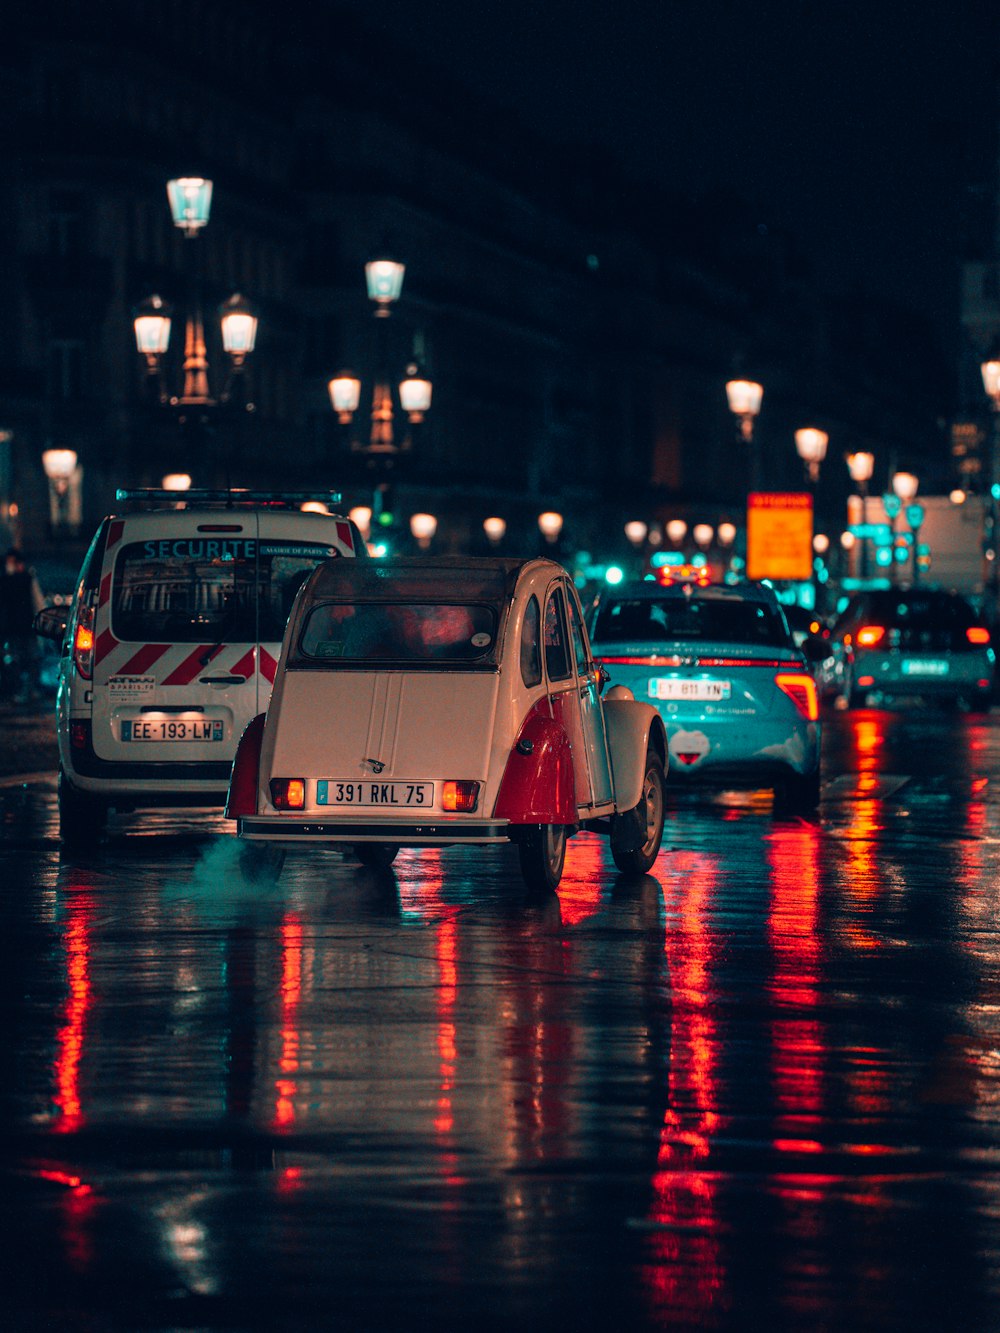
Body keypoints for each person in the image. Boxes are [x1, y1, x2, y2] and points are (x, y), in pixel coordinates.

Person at [0, 548, 46, 703]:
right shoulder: (6, 581)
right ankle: (22, 689)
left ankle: (28, 689)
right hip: (13, 629)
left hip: (25, 627)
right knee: (17, 660)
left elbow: (36, 601)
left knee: (30, 659)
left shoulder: (26, 579)